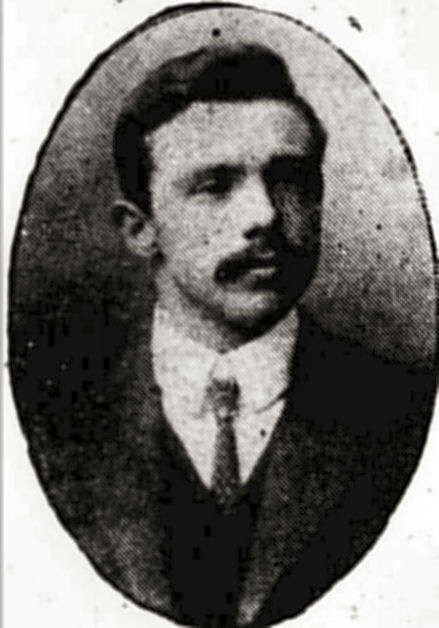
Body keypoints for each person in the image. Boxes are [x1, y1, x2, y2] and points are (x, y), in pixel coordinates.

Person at [11, 43, 435, 627]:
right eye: (215, 185)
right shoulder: (49, 415)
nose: (264, 215)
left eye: (290, 180)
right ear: (139, 230)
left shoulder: (408, 411)